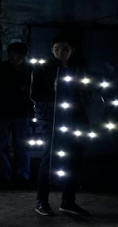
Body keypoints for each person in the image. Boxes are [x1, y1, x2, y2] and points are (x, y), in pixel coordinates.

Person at [31, 36, 90, 217]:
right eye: (57, 49)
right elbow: (34, 95)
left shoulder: (78, 68)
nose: (60, 53)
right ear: (52, 50)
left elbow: (86, 92)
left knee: (74, 158)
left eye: (65, 49)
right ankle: (42, 202)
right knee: (50, 158)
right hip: (52, 119)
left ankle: (68, 201)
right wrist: (54, 90)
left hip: (75, 118)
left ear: (72, 50)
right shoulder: (42, 68)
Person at [0, 42, 32, 185]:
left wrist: (13, 90)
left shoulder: (30, 69)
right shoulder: (1, 67)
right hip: (2, 111)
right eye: (10, 53)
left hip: (20, 112)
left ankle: (22, 175)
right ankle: (5, 174)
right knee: (0, 146)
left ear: (22, 55)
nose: (11, 56)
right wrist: (18, 89)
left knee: (22, 146)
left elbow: (31, 90)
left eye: (14, 53)